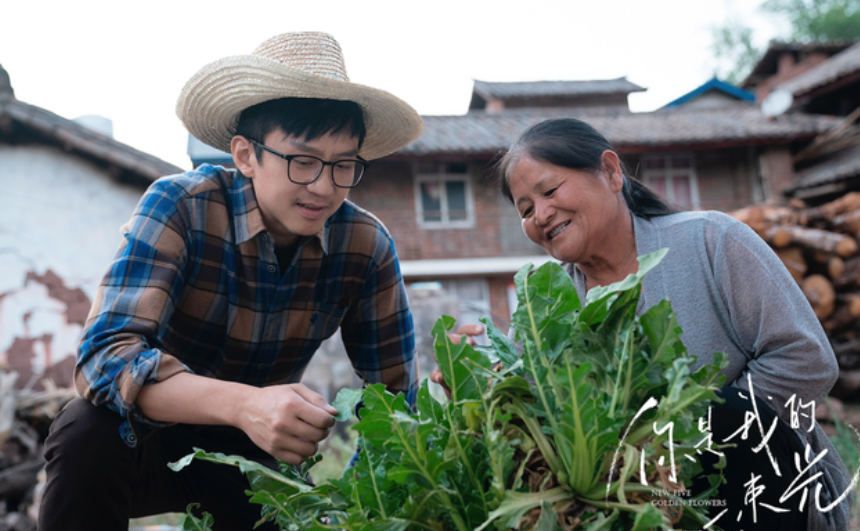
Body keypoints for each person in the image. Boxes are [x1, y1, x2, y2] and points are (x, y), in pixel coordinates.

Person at [38, 31, 423, 531]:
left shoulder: (364, 245)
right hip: (146, 439)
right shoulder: (181, 206)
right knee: (83, 429)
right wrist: (244, 404)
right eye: (302, 161)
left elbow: (396, 404)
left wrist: (352, 503)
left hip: (257, 460)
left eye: (343, 165)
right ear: (245, 155)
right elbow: (103, 358)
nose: (324, 186)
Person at [485, 118, 851, 530]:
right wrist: (484, 389)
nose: (542, 215)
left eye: (550, 191)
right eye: (526, 209)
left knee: (722, 412)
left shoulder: (711, 240)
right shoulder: (545, 307)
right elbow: (531, 418)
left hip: (753, 492)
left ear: (609, 171)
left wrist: (676, 437)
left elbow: (808, 360)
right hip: (624, 508)